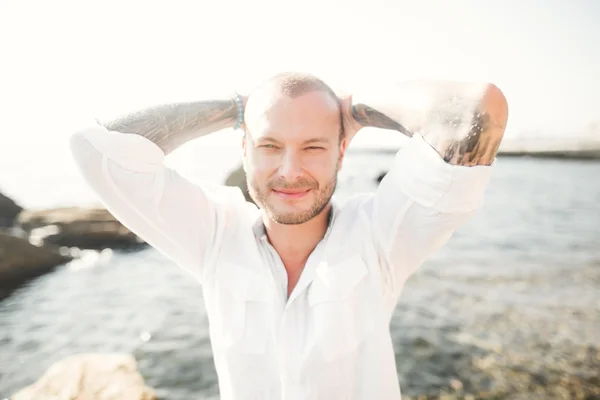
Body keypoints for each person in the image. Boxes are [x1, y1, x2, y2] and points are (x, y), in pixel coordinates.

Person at [70, 72, 508, 400]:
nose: (290, 171)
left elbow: (477, 111)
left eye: (314, 146)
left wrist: (357, 110)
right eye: (270, 145)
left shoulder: (381, 237)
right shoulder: (215, 235)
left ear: (341, 151)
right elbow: (97, 149)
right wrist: (238, 108)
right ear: (244, 150)